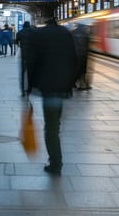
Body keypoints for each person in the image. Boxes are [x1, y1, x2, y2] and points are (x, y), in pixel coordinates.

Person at [27, 17, 78, 176]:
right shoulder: (66, 33)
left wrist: (31, 85)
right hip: (62, 86)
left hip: (47, 86)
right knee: (55, 125)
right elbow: (75, 59)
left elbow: (31, 61)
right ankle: (56, 161)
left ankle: (56, 163)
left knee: (51, 128)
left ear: (44, 20)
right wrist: (71, 83)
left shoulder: (39, 34)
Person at [16, 21, 33, 96]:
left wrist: (21, 45)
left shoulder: (20, 32)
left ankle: (22, 90)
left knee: (23, 72)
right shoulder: (33, 32)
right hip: (32, 55)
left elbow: (16, 42)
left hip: (23, 55)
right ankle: (29, 89)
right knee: (30, 72)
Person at [73, 23, 92, 91]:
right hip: (83, 55)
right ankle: (82, 85)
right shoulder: (85, 34)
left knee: (76, 70)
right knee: (82, 71)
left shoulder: (73, 32)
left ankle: (76, 84)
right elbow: (88, 45)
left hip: (74, 55)